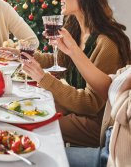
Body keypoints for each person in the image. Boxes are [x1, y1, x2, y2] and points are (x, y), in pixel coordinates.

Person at [0, 0, 131, 147]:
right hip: (76, 109)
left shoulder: (107, 44)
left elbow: (90, 104)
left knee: (36, 125)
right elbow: (59, 62)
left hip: (97, 123)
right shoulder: (76, 29)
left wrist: (43, 78)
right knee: (25, 106)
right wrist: (22, 54)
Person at [56, 28, 131, 167]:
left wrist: (43, 78)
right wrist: (73, 50)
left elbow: (100, 105)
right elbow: (110, 87)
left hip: (113, 157)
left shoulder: (107, 43)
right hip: (110, 144)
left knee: (45, 151)